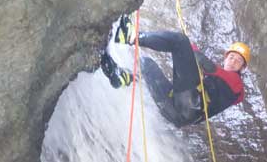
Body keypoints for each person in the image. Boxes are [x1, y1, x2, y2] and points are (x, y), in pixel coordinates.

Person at [101, 13, 250, 127]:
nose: (233, 61)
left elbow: (208, 66)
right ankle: (124, 77)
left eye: (238, 61)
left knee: (180, 41)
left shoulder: (236, 84)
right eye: (231, 57)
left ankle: (131, 36)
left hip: (190, 106)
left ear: (242, 68)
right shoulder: (220, 82)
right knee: (145, 63)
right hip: (173, 112)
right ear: (225, 58)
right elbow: (209, 70)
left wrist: (191, 50)